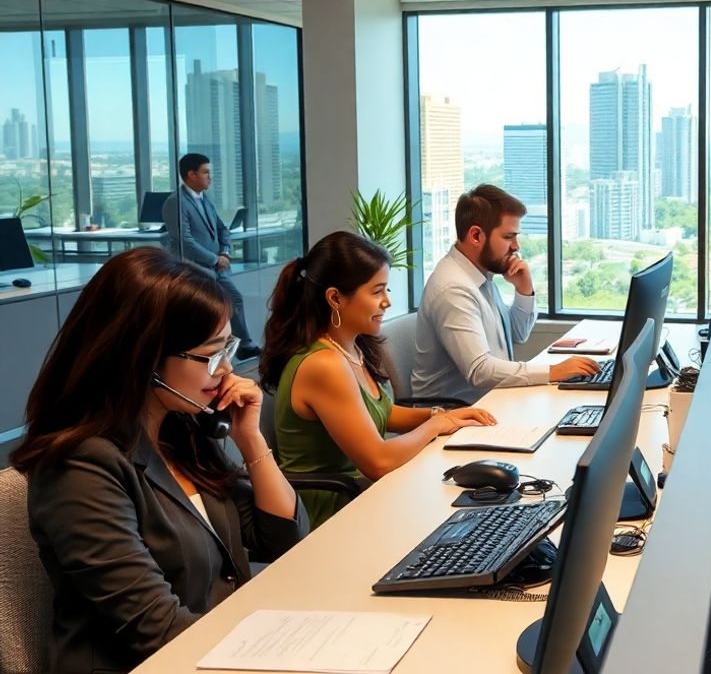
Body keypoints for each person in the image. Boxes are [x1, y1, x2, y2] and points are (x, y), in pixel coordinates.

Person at [11, 248, 306, 674]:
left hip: (215, 650)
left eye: (229, 349)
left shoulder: (181, 431)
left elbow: (283, 540)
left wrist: (250, 439)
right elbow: (157, 627)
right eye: (210, 355)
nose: (226, 370)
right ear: (143, 358)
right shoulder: (80, 467)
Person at [260, 231, 496, 528]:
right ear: (335, 298)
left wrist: (441, 416)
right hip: (333, 511)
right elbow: (378, 462)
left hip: (363, 493)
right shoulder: (323, 364)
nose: (386, 302)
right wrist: (435, 426)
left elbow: (380, 414)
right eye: (377, 291)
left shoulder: (351, 346)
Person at [411, 183, 598, 404]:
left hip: (488, 403)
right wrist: (553, 372)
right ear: (476, 236)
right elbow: (479, 371)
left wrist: (523, 290)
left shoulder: (480, 275)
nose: (516, 246)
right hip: (451, 418)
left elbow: (517, 334)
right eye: (509, 237)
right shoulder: (454, 288)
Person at [163, 152, 260, 359]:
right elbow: (185, 242)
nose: (210, 177)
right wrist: (215, 259)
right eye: (206, 172)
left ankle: (243, 346)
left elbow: (222, 229)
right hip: (196, 268)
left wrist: (225, 251)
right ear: (191, 174)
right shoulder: (176, 202)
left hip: (217, 267)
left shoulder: (203, 199)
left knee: (235, 299)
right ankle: (215, 353)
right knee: (211, 310)